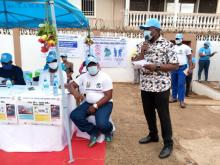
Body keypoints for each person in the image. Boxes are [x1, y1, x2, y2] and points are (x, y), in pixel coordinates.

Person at [132, 18, 179, 159]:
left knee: (163, 116)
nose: (145, 31)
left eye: (148, 28)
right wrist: (142, 52)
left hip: (161, 87)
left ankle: (168, 144)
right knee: (148, 113)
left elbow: (175, 65)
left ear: (157, 30)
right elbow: (135, 64)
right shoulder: (141, 44)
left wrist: (156, 67)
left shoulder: (167, 45)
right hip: (145, 86)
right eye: (144, 28)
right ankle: (153, 135)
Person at [67, 56, 113, 147]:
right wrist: (75, 93)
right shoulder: (83, 76)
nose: (92, 67)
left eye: (94, 65)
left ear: (98, 65)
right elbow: (71, 85)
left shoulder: (105, 77)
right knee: (75, 115)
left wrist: (95, 106)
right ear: (86, 67)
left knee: (102, 125)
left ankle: (108, 130)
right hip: (88, 103)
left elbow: (108, 96)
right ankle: (93, 131)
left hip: (104, 103)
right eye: (89, 65)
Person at [170, 33, 193, 108]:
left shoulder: (186, 47)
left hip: (183, 68)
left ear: (182, 39)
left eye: (178, 39)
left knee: (181, 84)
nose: (177, 40)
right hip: (174, 67)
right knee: (173, 83)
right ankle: (174, 98)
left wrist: (190, 68)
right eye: (176, 38)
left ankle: (181, 101)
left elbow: (189, 59)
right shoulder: (172, 47)